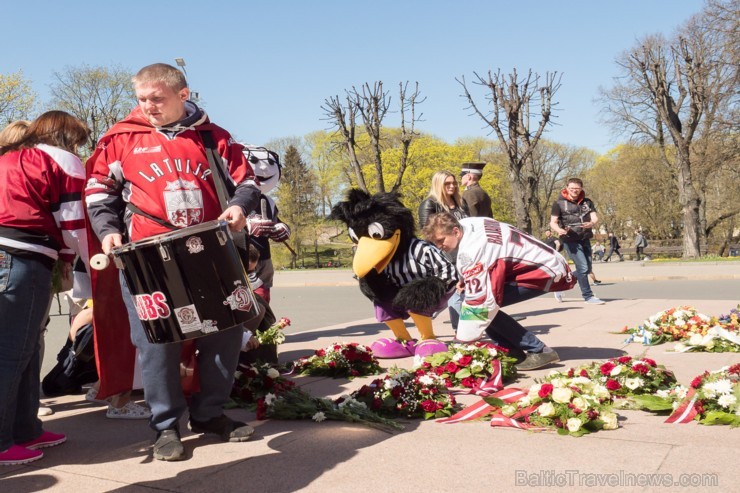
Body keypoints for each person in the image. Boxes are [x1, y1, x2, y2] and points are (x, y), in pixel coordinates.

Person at [85, 63, 261, 461]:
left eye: (156, 98)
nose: (147, 106)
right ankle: (165, 426)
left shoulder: (214, 138)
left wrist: (238, 207)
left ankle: (210, 415)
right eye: (141, 99)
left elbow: (247, 181)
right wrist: (107, 229)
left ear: (183, 94)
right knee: (157, 342)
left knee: (225, 331)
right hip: (148, 257)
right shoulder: (120, 139)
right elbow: (98, 190)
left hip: (211, 250)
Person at [0, 111, 90, 466]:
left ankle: (25, 428)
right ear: (67, 138)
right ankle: (4, 440)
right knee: (14, 351)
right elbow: (73, 223)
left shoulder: (10, 157)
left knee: (26, 346)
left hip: (14, 252)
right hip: (27, 254)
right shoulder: (62, 160)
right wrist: (78, 264)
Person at [422, 213, 576, 370]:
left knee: (483, 307)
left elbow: (480, 302)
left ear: (456, 232)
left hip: (542, 271)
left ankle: (539, 350)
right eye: (435, 242)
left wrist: (461, 343)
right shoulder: (469, 223)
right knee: (480, 304)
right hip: (542, 262)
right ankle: (511, 350)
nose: (439, 246)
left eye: (441, 240)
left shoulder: (472, 249)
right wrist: (464, 277)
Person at [418, 171, 468, 333]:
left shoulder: (460, 202)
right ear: (438, 184)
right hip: (444, 256)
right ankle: (460, 331)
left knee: (461, 293)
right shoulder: (429, 204)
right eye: (447, 183)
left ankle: (461, 330)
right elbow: (427, 234)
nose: (452, 186)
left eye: (453, 182)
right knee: (454, 292)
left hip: (463, 252)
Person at [550, 178, 605, 304]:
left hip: (585, 237)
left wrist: (591, 223)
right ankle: (588, 296)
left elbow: (595, 217)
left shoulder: (587, 202)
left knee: (586, 268)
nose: (574, 191)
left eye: (577, 189)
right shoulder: (558, 203)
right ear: (567, 188)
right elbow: (553, 222)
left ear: (581, 189)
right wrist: (559, 229)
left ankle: (558, 285)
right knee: (583, 267)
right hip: (569, 239)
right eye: (572, 188)